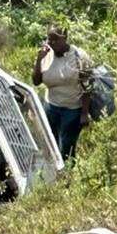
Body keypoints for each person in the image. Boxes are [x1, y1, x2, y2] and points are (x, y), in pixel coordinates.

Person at [32, 26, 94, 160]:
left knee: (66, 147)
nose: (52, 43)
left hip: (72, 109)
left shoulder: (79, 56)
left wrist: (84, 113)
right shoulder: (46, 55)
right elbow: (36, 81)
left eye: (56, 40)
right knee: (50, 144)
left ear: (65, 38)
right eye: (50, 40)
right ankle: (53, 175)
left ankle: (67, 176)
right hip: (51, 107)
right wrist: (39, 60)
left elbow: (87, 86)